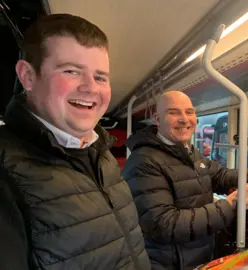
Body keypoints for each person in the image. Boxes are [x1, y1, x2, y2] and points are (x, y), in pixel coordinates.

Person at [0, 14, 150, 269]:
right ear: (27, 76)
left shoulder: (101, 155)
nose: (91, 88)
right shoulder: (6, 173)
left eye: (101, 77)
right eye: (71, 71)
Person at [122, 90, 248, 269]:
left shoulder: (188, 151)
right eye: (173, 112)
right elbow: (164, 224)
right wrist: (228, 205)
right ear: (158, 119)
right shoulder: (143, 161)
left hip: (199, 253)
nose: (184, 119)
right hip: (171, 262)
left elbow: (217, 175)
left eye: (189, 112)